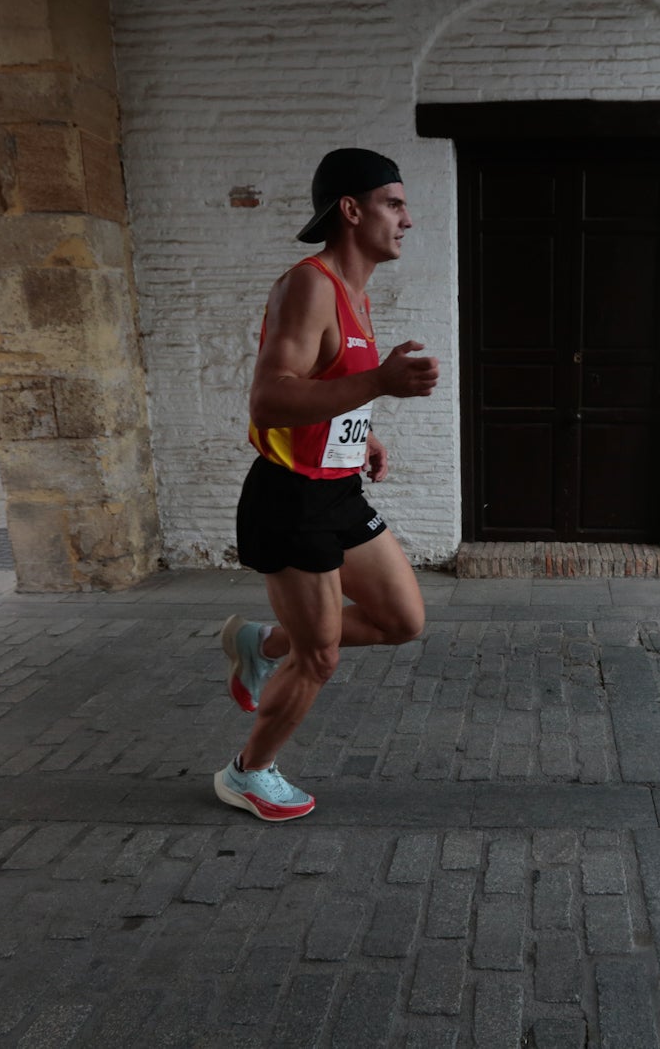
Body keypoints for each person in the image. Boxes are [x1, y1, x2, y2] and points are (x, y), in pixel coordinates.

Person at [214, 148, 439, 821]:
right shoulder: (309, 285)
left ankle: (263, 642)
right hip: (288, 499)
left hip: (336, 490)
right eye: (394, 204)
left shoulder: (357, 295)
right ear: (351, 209)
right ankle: (248, 773)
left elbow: (318, 385)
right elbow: (269, 399)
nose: (408, 219)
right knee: (322, 656)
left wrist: (360, 431)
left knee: (403, 620)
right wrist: (377, 384)